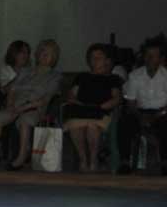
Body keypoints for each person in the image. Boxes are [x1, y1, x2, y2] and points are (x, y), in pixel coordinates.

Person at [0, 39, 62, 170]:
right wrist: (10, 104)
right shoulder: (25, 71)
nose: (43, 55)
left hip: (35, 108)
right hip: (16, 106)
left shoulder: (55, 76)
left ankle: (21, 158)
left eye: (48, 53)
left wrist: (24, 107)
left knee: (25, 119)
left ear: (53, 57)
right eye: (42, 51)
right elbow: (12, 90)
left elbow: (46, 99)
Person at [63, 43, 122, 172]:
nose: (95, 60)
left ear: (106, 60)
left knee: (92, 127)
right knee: (75, 126)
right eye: (92, 57)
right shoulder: (82, 77)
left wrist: (101, 107)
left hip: (100, 111)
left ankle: (93, 159)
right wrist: (78, 103)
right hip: (81, 110)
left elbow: (116, 98)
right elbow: (71, 95)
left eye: (98, 57)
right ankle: (83, 159)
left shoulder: (113, 78)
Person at [118, 40, 167, 175]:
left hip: (162, 113)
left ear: (162, 58)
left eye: (154, 55)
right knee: (124, 122)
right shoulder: (135, 76)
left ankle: (165, 163)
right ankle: (125, 162)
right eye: (147, 55)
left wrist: (158, 115)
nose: (150, 58)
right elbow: (131, 103)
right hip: (140, 112)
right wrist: (141, 117)